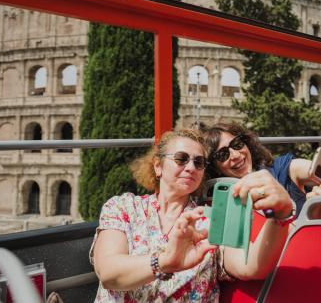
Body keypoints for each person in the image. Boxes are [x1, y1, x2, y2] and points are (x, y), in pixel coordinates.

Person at [90, 128, 294, 302]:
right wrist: (165, 261)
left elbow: (251, 267)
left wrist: (279, 216)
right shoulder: (123, 207)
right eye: (181, 159)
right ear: (158, 166)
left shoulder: (211, 217)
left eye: (199, 163)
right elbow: (108, 272)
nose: (191, 167)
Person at [204, 122, 321, 216]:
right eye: (222, 155)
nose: (235, 155)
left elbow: (312, 168)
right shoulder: (215, 203)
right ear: (216, 168)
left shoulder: (281, 169)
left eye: (237, 144)